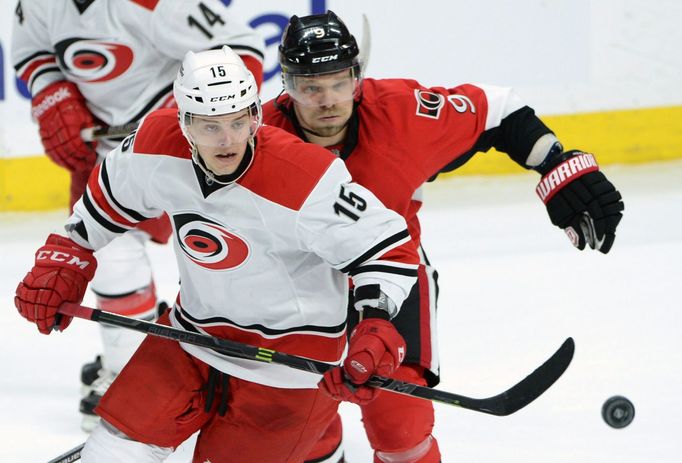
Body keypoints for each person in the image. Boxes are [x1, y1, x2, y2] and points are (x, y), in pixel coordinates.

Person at [14, 45, 422, 462]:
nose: (228, 140)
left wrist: (374, 326)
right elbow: (105, 202)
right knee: (112, 452)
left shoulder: (305, 178)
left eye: (238, 121)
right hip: (190, 337)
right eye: (210, 126)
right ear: (185, 122)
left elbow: (388, 249)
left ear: (254, 116)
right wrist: (67, 255)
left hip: (288, 367)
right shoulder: (154, 144)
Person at [262, 11, 625, 463]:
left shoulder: (403, 113)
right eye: (309, 87)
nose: (328, 100)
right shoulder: (254, 136)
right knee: (296, 427)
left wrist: (555, 165)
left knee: (402, 430)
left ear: (358, 77)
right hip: (296, 288)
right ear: (287, 85)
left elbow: (499, 109)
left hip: (394, 278)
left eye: (339, 82)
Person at [11, 0, 265, 431]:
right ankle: (128, 366)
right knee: (108, 253)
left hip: (188, 149)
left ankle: (242, 363)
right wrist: (54, 94)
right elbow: (31, 50)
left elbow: (242, 49)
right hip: (109, 151)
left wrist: (177, 116)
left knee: (222, 254)